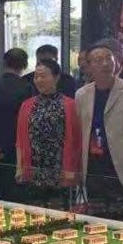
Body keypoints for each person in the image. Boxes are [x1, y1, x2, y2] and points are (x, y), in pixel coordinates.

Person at [75, 44, 123, 221]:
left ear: (115, 62)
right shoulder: (82, 95)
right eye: (98, 60)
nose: (105, 63)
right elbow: (80, 132)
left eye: (108, 58)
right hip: (94, 169)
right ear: (88, 66)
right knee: (97, 224)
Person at [16, 59, 82, 207]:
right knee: (35, 213)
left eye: (43, 76)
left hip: (60, 170)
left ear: (56, 78)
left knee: (60, 213)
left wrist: (72, 169)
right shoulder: (27, 105)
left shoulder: (69, 105)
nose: (39, 80)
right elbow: (20, 140)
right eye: (36, 76)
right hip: (34, 170)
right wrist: (19, 168)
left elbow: (76, 141)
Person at [0, 48, 34, 202]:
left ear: (4, 63)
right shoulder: (27, 88)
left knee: (3, 187)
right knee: (20, 190)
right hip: (20, 145)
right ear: (25, 65)